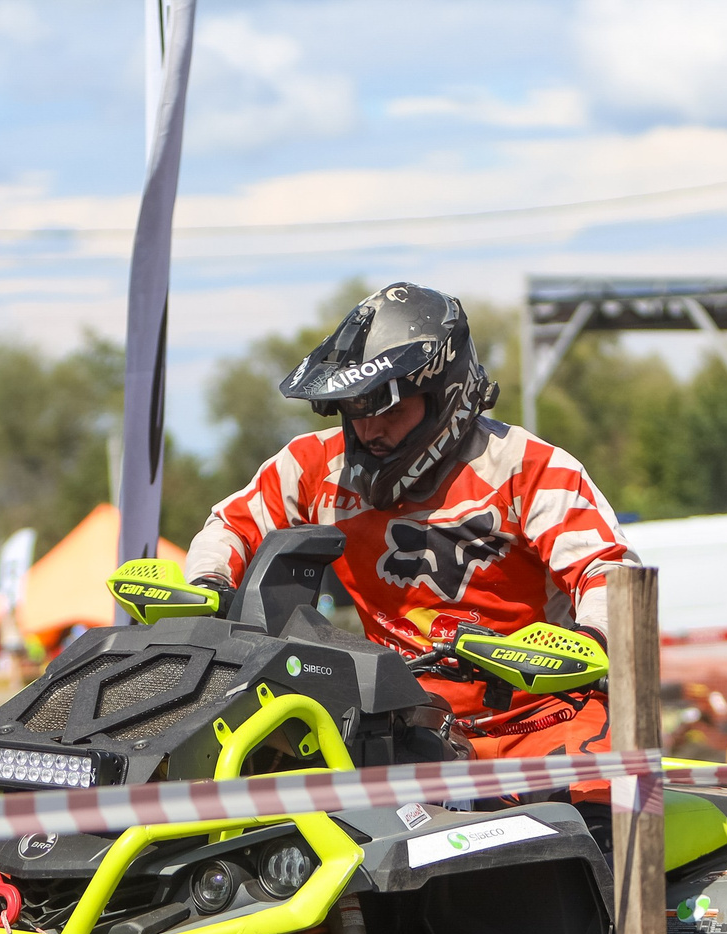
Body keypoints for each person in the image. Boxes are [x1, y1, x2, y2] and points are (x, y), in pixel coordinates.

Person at [186, 282, 629, 762]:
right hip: (402, 726)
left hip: (547, 718)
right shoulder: (313, 466)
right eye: (356, 410)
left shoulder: (530, 467)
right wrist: (209, 584)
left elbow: (612, 575)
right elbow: (229, 525)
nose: (370, 430)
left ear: (445, 397)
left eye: (390, 410)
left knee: (599, 817)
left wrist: (590, 640)